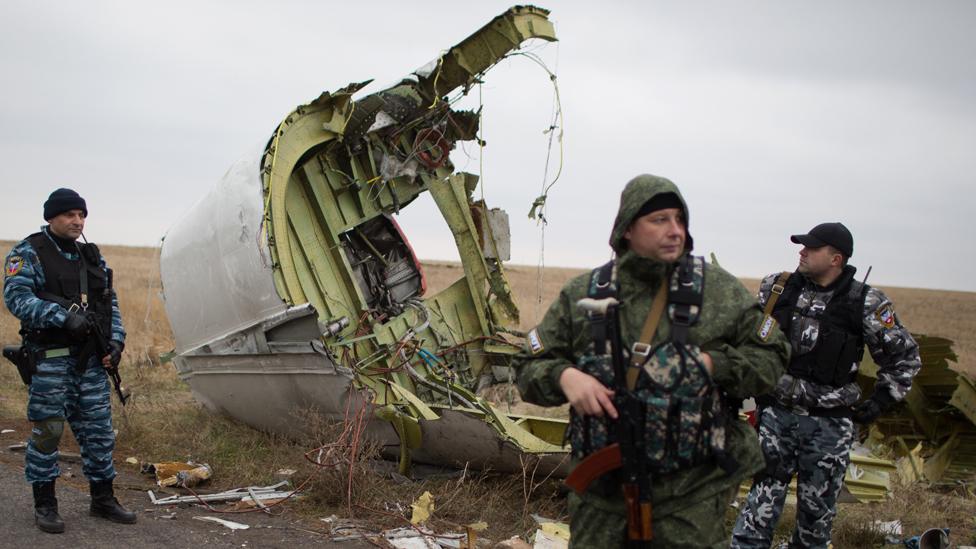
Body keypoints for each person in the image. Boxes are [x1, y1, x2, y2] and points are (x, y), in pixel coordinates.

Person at [516, 174, 789, 548]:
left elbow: (772, 355)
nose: (675, 230)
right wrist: (565, 377)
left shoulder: (718, 292)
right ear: (627, 228)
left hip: (692, 493)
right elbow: (528, 366)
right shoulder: (583, 295)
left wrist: (713, 365)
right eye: (660, 220)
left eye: (680, 219)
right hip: (601, 494)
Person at [731, 222, 921, 549]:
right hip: (775, 419)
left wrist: (881, 400)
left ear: (836, 259)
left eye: (811, 247)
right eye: (802, 246)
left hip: (829, 427)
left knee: (814, 525)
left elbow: (905, 357)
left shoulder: (865, 302)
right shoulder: (776, 289)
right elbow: (746, 342)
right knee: (755, 516)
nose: (801, 251)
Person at [3, 188, 136, 533]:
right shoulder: (28, 252)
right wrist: (61, 317)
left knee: (99, 433)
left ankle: (102, 499)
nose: (77, 221)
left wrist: (115, 342)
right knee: (48, 432)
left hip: (90, 363)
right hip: (50, 361)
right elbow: (17, 299)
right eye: (69, 215)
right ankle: (45, 505)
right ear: (51, 217)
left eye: (82, 215)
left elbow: (110, 305)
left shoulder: (91, 257)